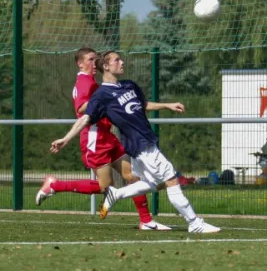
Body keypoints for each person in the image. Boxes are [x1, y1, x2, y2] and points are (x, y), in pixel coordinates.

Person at [50, 51, 221, 234]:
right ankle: (194, 223)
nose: (122, 62)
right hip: (140, 145)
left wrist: (167, 105)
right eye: (117, 60)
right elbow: (85, 118)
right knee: (171, 179)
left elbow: (143, 104)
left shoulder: (129, 85)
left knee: (151, 181)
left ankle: (117, 194)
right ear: (106, 67)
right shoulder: (102, 95)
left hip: (145, 141)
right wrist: (66, 139)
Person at [36, 47, 170, 231]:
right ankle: (55, 185)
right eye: (90, 59)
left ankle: (146, 220)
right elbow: (81, 108)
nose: (94, 63)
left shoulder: (91, 81)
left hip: (106, 135)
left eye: (95, 59)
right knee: (104, 186)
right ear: (80, 63)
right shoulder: (84, 81)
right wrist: (102, 102)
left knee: (132, 176)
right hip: (94, 138)